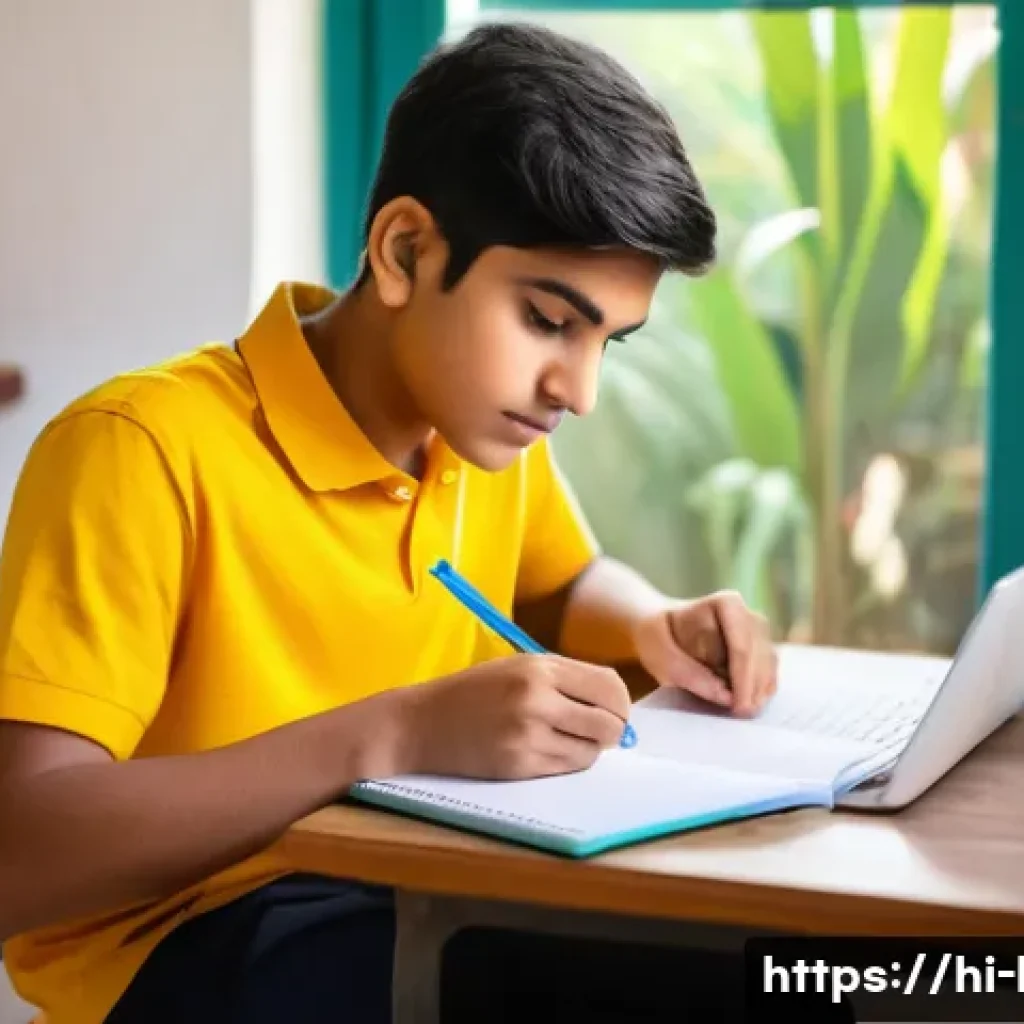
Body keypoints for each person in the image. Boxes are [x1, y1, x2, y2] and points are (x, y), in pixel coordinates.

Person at [0, 20, 778, 1024]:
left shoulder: (475, 430)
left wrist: (649, 623)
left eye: (607, 344)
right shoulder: (137, 447)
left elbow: (561, 583)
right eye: (548, 320)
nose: (576, 390)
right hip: (189, 945)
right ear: (405, 249)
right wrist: (395, 732)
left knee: (766, 963)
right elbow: (22, 847)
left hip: (410, 886)